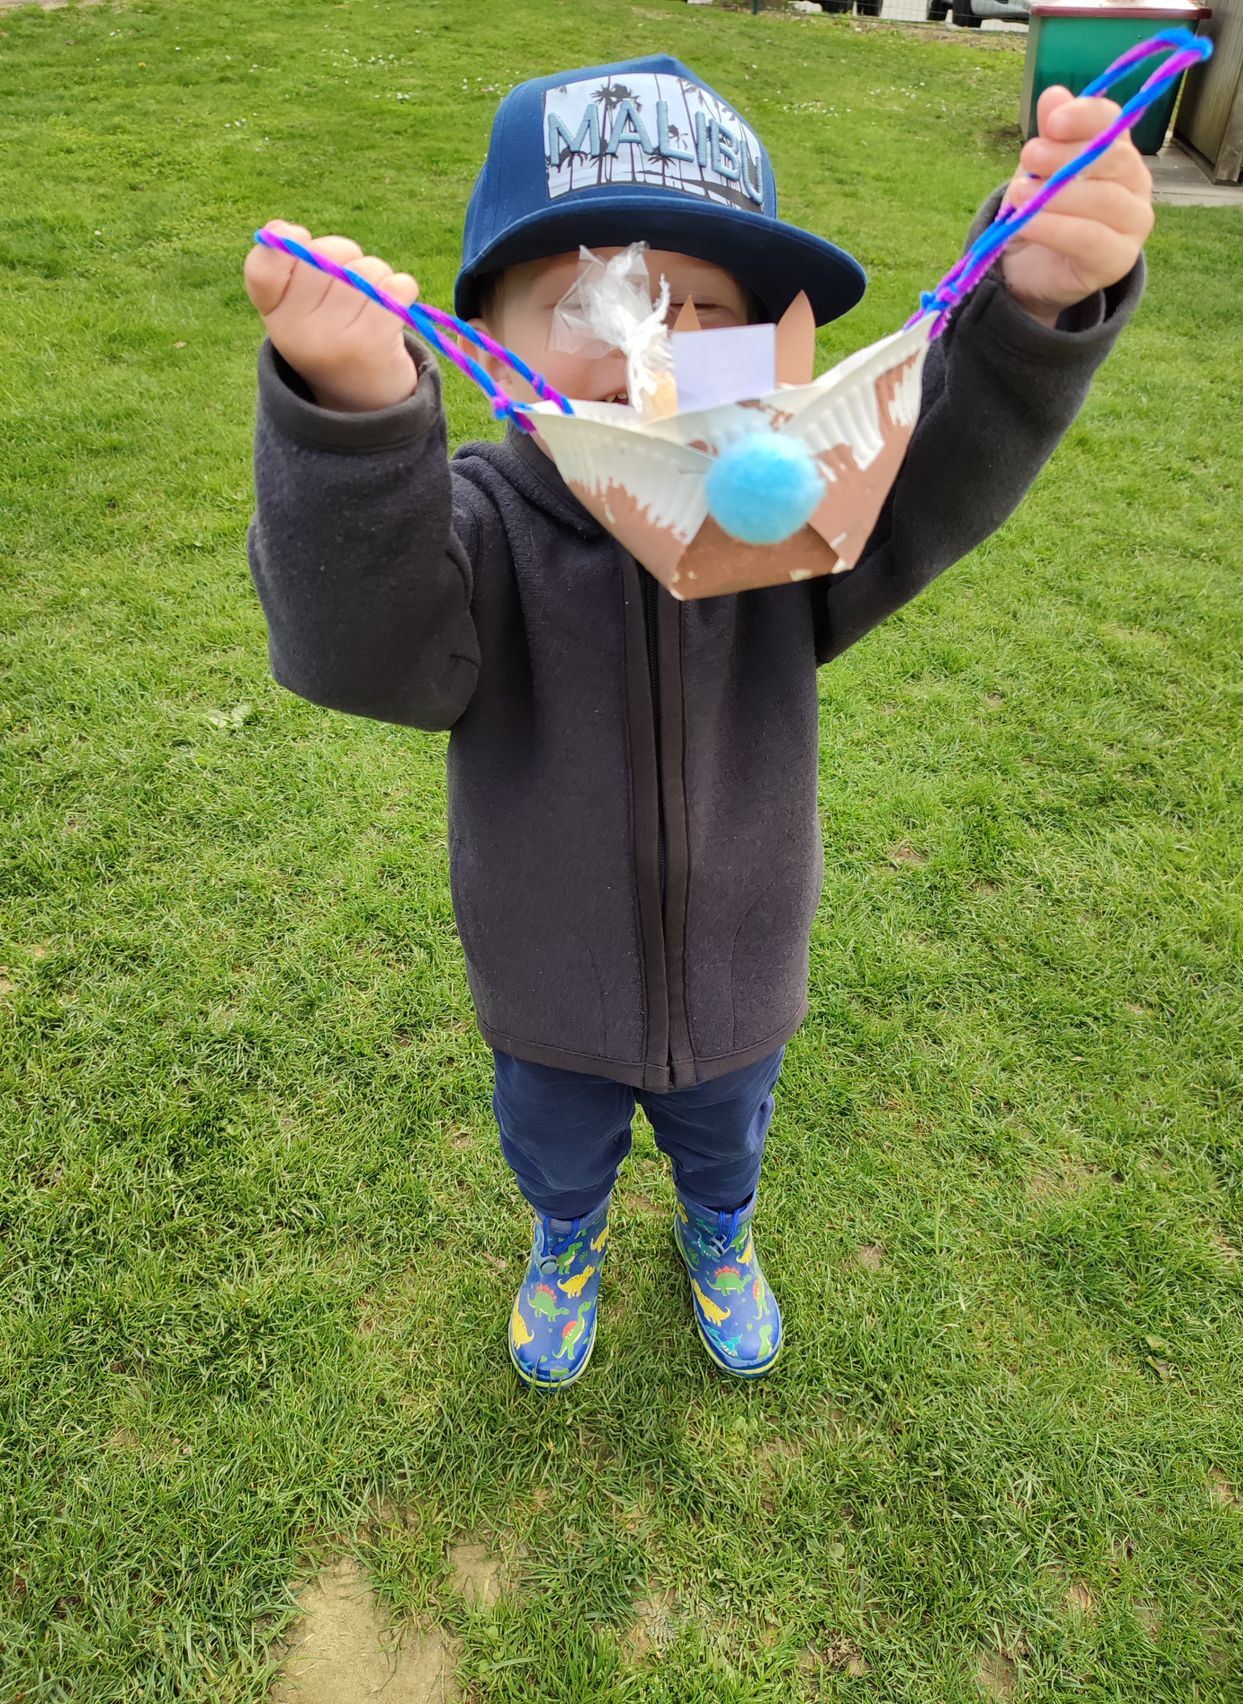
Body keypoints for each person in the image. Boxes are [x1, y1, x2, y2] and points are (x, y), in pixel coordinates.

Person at [244, 54, 1154, 1390]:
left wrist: (1028, 305)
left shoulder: (780, 517)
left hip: (739, 976)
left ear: (770, 349)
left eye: (699, 311)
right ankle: (567, 1239)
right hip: (547, 987)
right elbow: (357, 646)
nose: (647, 352)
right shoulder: (483, 532)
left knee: (726, 1138)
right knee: (555, 1145)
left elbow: (942, 468)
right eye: (588, 304)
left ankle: (719, 1233)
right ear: (483, 329)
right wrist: (354, 415)